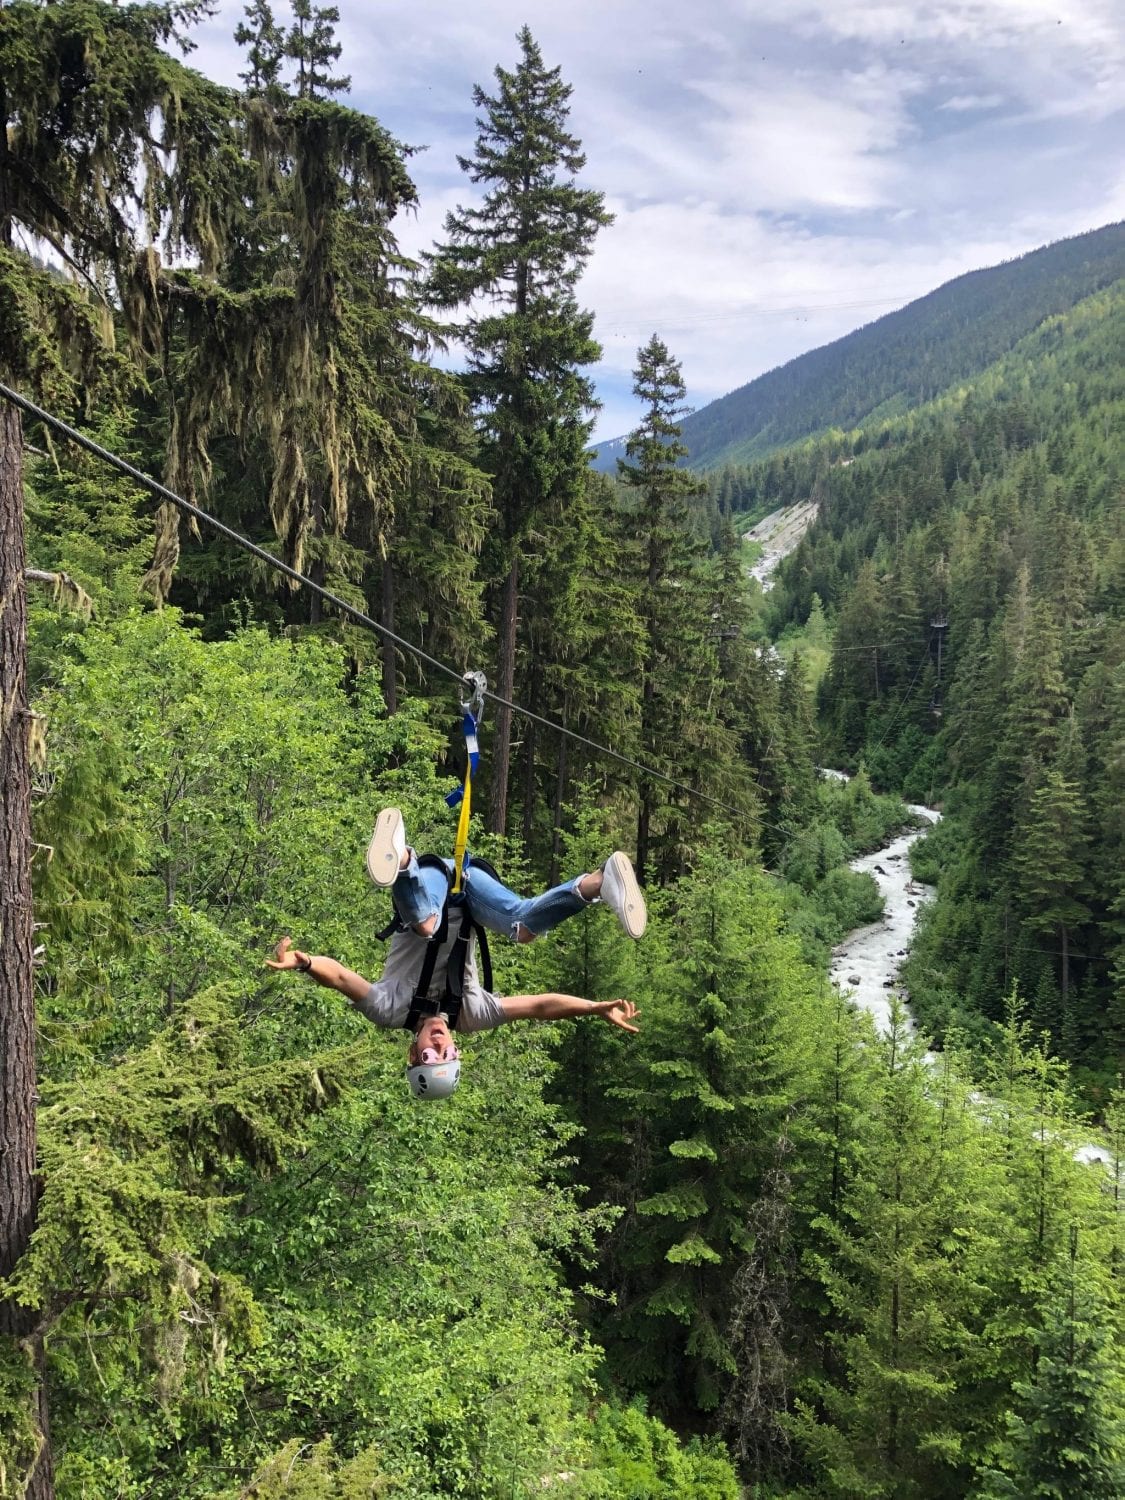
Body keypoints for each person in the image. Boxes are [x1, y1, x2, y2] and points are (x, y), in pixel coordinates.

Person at [266, 808, 645, 1100]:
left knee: (426, 924)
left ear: (413, 1056)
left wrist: (306, 963)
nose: (437, 1045)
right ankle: (599, 883)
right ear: (456, 1049)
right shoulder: (472, 1014)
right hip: (470, 892)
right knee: (524, 928)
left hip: (428, 885)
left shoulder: (390, 1010)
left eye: (429, 1057)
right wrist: (593, 1007)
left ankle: (398, 858)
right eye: (445, 1054)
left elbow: (342, 979)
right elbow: (540, 1007)